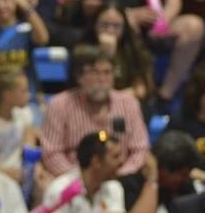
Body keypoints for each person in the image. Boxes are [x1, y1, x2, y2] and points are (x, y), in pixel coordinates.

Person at [40, 45, 149, 178]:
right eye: (94, 72)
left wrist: (122, 174)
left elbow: (140, 149)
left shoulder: (129, 104)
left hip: (122, 179)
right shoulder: (59, 105)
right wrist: (82, 179)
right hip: (73, 181)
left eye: (107, 72)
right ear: (79, 76)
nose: (102, 79)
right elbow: (52, 153)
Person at [37, 130, 128, 213]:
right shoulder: (60, 191)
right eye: (116, 156)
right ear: (96, 161)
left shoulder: (114, 189)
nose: (122, 161)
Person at [124, 130, 204, 213]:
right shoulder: (131, 183)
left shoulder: (184, 186)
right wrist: (152, 181)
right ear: (163, 169)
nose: (185, 178)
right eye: (182, 174)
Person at [80, 2, 155, 110]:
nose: (110, 31)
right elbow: (82, 87)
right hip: (88, 106)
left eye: (116, 26)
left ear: (125, 28)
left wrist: (115, 99)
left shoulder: (135, 50)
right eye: (104, 25)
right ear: (94, 25)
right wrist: (105, 53)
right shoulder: (82, 50)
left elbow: (141, 89)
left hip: (126, 107)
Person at [0, 68, 40, 184]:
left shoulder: (24, 114)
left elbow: (29, 151)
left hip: (22, 174)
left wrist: (33, 169)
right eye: (23, 91)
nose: (29, 95)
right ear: (7, 96)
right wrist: (3, 173)